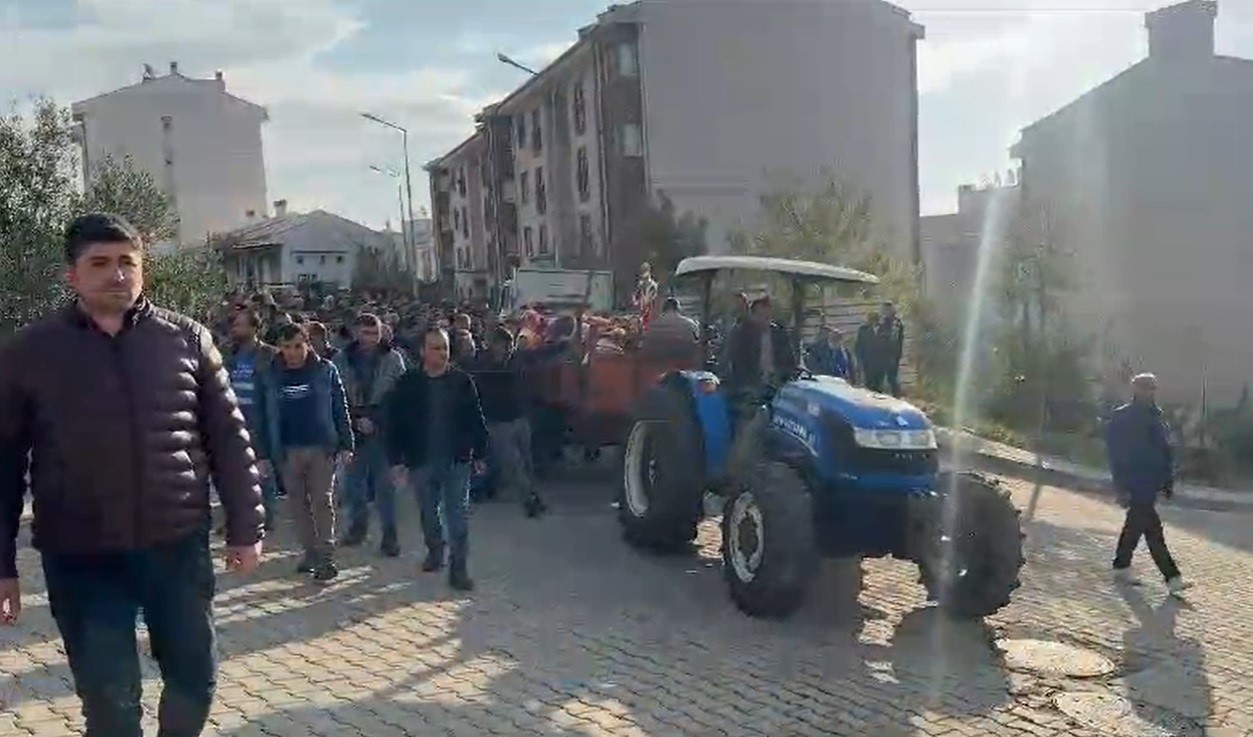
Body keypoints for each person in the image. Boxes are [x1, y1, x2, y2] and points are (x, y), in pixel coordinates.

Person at [0, 212, 264, 737]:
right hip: (81, 555)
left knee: (196, 676)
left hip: (176, 547)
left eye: (128, 262)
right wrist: (3, 565)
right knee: (110, 700)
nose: (117, 274)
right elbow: (4, 463)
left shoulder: (186, 340)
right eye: (100, 263)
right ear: (71, 276)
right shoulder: (31, 352)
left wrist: (245, 527)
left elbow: (229, 440)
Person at [383, 328, 488, 591]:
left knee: (458, 517)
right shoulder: (409, 383)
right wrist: (396, 460)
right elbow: (395, 423)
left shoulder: (461, 381)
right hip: (421, 460)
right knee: (428, 512)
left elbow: (475, 419)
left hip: (457, 460)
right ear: (422, 351)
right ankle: (435, 550)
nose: (442, 353)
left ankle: (459, 568)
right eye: (436, 348)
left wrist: (481, 452)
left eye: (445, 347)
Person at [255, 323, 354, 583]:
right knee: (297, 504)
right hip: (287, 451)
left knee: (322, 500)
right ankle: (309, 552)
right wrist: (262, 454)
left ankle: (326, 557)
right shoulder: (270, 375)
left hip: (321, 447)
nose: (293, 352)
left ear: (308, 344)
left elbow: (339, 407)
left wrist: (346, 444)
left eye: (298, 346)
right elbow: (262, 417)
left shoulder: (325, 370)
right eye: (287, 347)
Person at [1105, 373, 1191, 597]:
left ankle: (1121, 566)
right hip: (1135, 481)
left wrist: (1167, 481)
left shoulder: (1157, 416)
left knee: (1136, 526)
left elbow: (1165, 451)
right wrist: (1120, 485)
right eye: (1145, 388)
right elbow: (1115, 454)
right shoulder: (1122, 417)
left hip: (1151, 481)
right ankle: (1172, 577)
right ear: (1136, 390)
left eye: (1152, 388)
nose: (1150, 392)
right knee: (1153, 531)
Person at [333, 312, 406, 555]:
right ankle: (358, 527)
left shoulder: (394, 359)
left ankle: (390, 536)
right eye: (365, 332)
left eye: (374, 332)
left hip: (383, 431)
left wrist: (375, 420)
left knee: (385, 488)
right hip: (354, 428)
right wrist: (354, 421)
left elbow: (399, 397)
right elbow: (336, 396)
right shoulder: (342, 359)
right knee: (353, 485)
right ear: (355, 332)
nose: (370, 338)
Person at [224, 309, 280, 530]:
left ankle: (266, 516)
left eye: (240, 325)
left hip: (260, 421)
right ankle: (238, 519)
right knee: (234, 475)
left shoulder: (269, 355)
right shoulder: (229, 354)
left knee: (263, 472)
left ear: (254, 328)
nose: (235, 329)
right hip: (233, 420)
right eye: (234, 325)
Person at [721, 295, 797, 394]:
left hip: (777, 384)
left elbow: (789, 360)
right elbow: (734, 360)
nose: (764, 320)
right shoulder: (742, 333)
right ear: (753, 316)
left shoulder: (779, 333)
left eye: (767, 316)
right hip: (750, 385)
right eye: (760, 316)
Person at [876, 302, 905, 396]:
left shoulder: (895, 322)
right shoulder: (883, 322)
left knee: (891, 377)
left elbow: (894, 338)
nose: (884, 312)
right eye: (883, 310)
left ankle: (896, 396)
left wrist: (894, 355)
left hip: (891, 355)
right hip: (881, 354)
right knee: (879, 378)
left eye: (886, 310)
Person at [855, 311, 882, 390]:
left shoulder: (884, 329)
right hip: (867, 361)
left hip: (880, 362)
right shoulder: (863, 330)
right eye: (871, 319)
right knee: (869, 383)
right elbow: (859, 345)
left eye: (875, 319)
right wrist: (859, 360)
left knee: (879, 385)